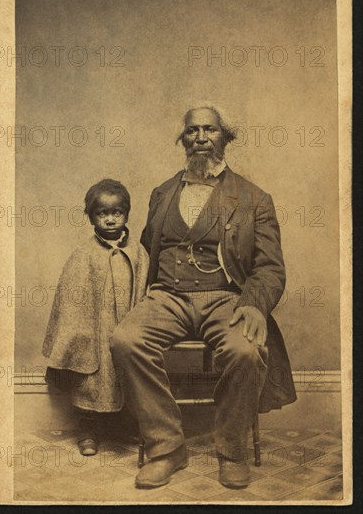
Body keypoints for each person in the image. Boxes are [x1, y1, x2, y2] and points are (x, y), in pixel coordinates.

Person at [112, 105, 296, 489]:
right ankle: (166, 448)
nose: (200, 137)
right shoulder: (162, 193)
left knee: (246, 351)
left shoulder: (253, 198)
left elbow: (270, 267)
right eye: (192, 130)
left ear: (225, 137)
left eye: (209, 130)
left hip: (227, 298)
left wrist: (253, 304)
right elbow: (150, 247)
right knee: (125, 341)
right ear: (183, 139)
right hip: (168, 296)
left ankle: (231, 450)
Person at [42, 179, 149, 455]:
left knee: (124, 376)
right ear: (91, 217)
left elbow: (145, 291)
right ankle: (87, 429)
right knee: (91, 381)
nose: (111, 220)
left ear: (126, 214)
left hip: (124, 328)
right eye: (102, 214)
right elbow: (70, 300)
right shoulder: (83, 255)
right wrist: (78, 334)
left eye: (117, 213)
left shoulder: (137, 252)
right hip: (93, 331)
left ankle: (122, 424)